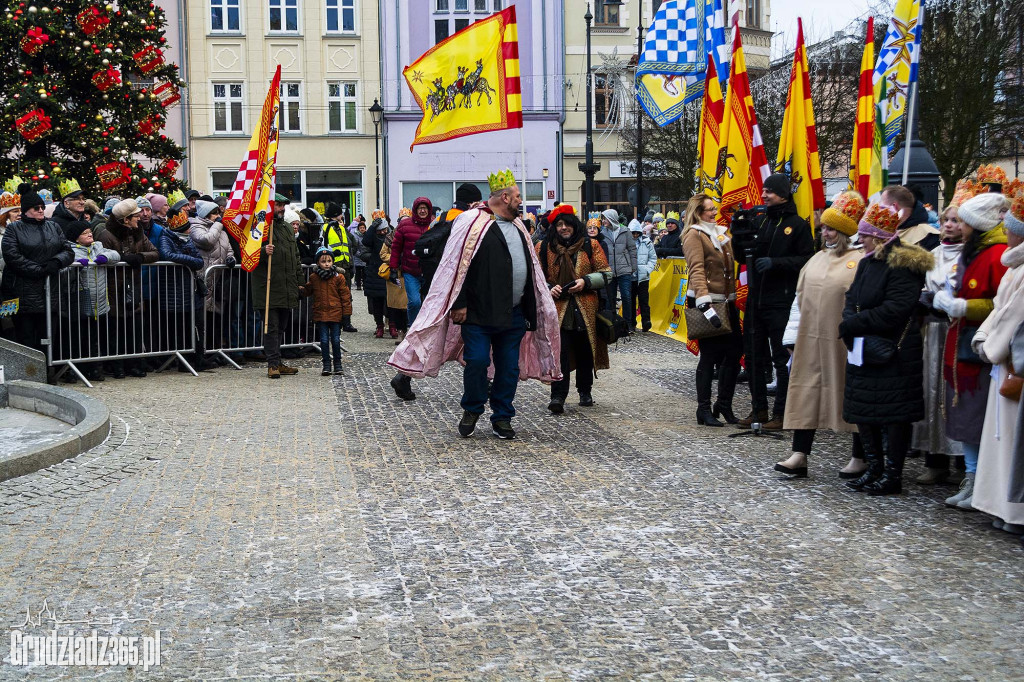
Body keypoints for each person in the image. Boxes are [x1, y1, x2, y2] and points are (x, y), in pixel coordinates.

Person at [388, 169, 561, 440]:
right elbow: (455, 268)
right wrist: (459, 303)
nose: (520, 202)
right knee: (478, 361)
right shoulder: (471, 222)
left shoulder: (519, 226)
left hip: (513, 312)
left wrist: (534, 304)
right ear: (504, 197)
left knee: (508, 367)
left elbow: (531, 267)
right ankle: (472, 407)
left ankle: (502, 417)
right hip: (477, 312)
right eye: (517, 197)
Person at [840, 203, 933, 496]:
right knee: (864, 409)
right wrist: (849, 322)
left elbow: (896, 309)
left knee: (894, 414)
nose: (861, 239)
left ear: (879, 235)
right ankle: (875, 468)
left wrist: (854, 324)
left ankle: (893, 474)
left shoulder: (903, 264)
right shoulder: (868, 262)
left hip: (894, 349)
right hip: (864, 346)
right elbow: (851, 297)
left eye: (866, 234)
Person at [776, 191, 867, 478]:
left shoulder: (862, 259)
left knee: (851, 393)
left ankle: (860, 456)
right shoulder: (816, 259)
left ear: (843, 231)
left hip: (845, 342)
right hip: (809, 340)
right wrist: (790, 338)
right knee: (806, 393)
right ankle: (799, 453)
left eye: (829, 227)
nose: (823, 231)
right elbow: (798, 301)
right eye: (824, 227)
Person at [936, 192, 1010, 510]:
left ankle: (980, 480)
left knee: (977, 416)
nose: (958, 226)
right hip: (962, 346)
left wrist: (962, 305)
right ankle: (972, 476)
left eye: (964, 221)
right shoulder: (975, 252)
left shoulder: (996, 255)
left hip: (981, 349)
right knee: (966, 415)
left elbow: (1003, 305)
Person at [737, 173, 814, 430]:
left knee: (781, 359)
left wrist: (777, 264)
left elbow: (806, 260)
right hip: (756, 300)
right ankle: (758, 410)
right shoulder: (760, 222)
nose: (764, 194)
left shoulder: (798, 225)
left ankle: (781, 413)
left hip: (781, 301)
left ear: (783, 193)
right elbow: (743, 257)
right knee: (755, 357)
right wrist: (739, 236)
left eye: (769, 190)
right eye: (764, 190)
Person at [970, 193, 1024, 534]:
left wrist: (990, 344)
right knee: (1002, 437)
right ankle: (1003, 505)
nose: (1007, 234)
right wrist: (985, 335)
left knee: (1012, 437)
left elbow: (1014, 316)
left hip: (1014, 362)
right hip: (1005, 358)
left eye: (1012, 229)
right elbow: (1000, 311)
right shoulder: (1014, 264)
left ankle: (1015, 511)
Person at [912, 198, 971, 483]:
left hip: (956, 329)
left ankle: (963, 464)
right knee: (931, 392)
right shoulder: (932, 254)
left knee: (954, 393)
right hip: (933, 331)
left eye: (955, 220)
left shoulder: (970, 256)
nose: (949, 225)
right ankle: (935, 460)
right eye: (946, 219)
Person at [537, 205, 611, 413]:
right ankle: (558, 396)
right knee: (559, 353)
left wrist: (586, 282)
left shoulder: (591, 245)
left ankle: (585, 391)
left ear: (574, 225)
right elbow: (536, 277)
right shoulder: (544, 247)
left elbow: (606, 273)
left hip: (585, 307)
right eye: (559, 224)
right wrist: (549, 288)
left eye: (567, 223)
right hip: (557, 308)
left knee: (585, 349)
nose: (563, 228)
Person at [681, 193, 742, 427]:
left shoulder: (720, 233)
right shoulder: (694, 235)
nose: (714, 212)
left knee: (735, 353)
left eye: (714, 208)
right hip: (707, 302)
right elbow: (696, 268)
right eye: (709, 209)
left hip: (726, 301)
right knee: (709, 356)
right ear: (698, 212)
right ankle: (703, 408)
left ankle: (724, 404)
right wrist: (704, 300)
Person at [0, 184, 75, 351]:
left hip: (51, 291)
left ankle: (47, 372)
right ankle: (28, 374)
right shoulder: (14, 229)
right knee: (25, 337)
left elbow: (68, 250)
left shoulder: (53, 226)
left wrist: (56, 262)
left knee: (47, 337)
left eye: (42, 207)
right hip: (23, 292)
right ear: (26, 210)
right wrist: (39, 270)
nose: (41, 210)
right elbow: (12, 256)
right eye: (36, 208)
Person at [251, 194, 304, 379]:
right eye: (278, 205)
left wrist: (299, 282)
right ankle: (272, 364)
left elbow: (295, 257)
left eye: (282, 205)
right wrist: (263, 252)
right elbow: (248, 254)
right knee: (271, 327)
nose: (281, 209)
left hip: (286, 286)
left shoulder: (288, 228)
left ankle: (278, 361)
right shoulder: (259, 226)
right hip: (268, 287)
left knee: (281, 326)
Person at [159, 194, 211, 372]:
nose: (190, 230)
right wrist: (188, 259)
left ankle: (198, 358)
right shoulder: (167, 238)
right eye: (187, 228)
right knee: (180, 328)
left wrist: (187, 260)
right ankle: (183, 360)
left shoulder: (187, 239)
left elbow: (199, 261)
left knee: (197, 326)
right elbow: (167, 255)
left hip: (191, 290)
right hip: (176, 291)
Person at [67, 220, 121, 381]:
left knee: (97, 338)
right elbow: (64, 270)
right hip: (83, 301)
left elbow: (116, 255)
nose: (90, 234)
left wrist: (105, 257)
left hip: (101, 302)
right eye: (84, 233)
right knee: (82, 337)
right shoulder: (71, 251)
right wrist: (75, 265)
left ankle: (97, 368)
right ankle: (81, 369)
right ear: (76, 238)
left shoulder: (97, 246)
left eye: (89, 231)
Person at [413, 183, 483, 296]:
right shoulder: (471, 219)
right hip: (459, 278)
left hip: (436, 274)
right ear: (470, 203)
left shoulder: (441, 217)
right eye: (478, 201)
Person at [189, 200, 232, 359]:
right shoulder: (195, 227)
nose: (218, 216)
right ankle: (202, 354)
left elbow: (228, 248)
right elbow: (207, 241)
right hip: (202, 278)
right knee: (202, 319)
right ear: (206, 215)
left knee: (215, 319)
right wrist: (217, 225)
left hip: (217, 279)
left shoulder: (220, 229)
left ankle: (214, 352)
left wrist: (230, 258)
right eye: (215, 213)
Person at [300, 247, 352, 376]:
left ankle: (338, 364)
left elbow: (345, 297)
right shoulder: (314, 277)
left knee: (335, 340)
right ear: (318, 263)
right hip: (321, 313)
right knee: (323, 340)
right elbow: (308, 290)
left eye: (329, 261)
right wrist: (300, 289)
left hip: (335, 313)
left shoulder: (339, 277)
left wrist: (346, 315)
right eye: (323, 261)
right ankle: (326, 365)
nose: (327, 264)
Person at [390, 196, 432, 325]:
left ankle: (426, 329)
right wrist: (393, 268)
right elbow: (396, 248)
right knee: (414, 302)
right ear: (415, 209)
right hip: (410, 271)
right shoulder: (404, 225)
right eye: (420, 208)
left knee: (428, 303)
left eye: (425, 208)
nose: (422, 211)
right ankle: (413, 328)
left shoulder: (434, 225)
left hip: (429, 271)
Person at [362, 212, 398, 339]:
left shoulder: (393, 234)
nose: (383, 232)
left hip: (389, 271)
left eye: (384, 229)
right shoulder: (372, 237)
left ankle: (393, 325)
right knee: (376, 302)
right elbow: (365, 241)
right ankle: (379, 326)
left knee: (391, 301)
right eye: (380, 230)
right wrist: (372, 228)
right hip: (375, 273)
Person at [599, 209, 637, 322]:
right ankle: (611, 323)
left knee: (626, 296)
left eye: (605, 218)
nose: (604, 220)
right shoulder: (602, 233)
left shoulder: (625, 231)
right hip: (609, 270)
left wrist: (633, 267)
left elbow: (632, 249)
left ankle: (627, 323)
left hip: (624, 269)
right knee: (610, 298)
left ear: (612, 218)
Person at [880, 184, 941, 251]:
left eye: (882, 207)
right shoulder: (879, 234)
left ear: (894, 207)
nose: (879, 211)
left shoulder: (929, 236)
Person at [631, 219, 657, 332]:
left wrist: (647, 269)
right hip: (630, 276)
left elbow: (653, 258)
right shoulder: (626, 243)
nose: (635, 235)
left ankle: (646, 321)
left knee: (644, 300)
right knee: (630, 301)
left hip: (643, 276)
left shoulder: (647, 242)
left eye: (637, 233)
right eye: (633, 233)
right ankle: (631, 322)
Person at [323, 202, 353, 280]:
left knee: (346, 291)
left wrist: (351, 264)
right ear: (336, 215)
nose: (342, 216)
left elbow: (349, 246)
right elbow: (322, 246)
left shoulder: (342, 228)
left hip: (346, 265)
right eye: (340, 214)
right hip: (333, 265)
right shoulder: (326, 228)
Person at [348, 219, 366, 291]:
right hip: (358, 257)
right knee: (358, 273)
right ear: (358, 228)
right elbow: (355, 246)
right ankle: (358, 285)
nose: (362, 229)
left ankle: (364, 285)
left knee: (365, 273)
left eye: (363, 228)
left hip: (365, 257)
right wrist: (360, 254)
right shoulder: (355, 236)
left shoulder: (367, 235)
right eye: (361, 228)